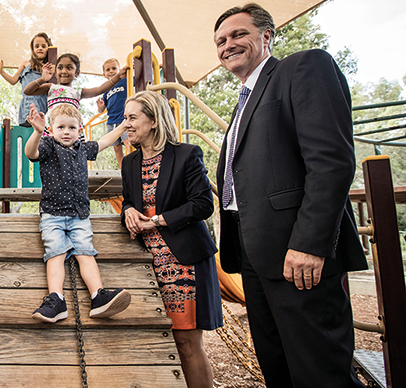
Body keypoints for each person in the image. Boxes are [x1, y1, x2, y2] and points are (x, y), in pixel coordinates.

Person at [214, 4, 367, 387]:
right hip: (254, 252)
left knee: (319, 370)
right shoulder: (245, 100)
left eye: (238, 34)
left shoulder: (302, 68)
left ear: (267, 36)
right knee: (277, 364)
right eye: (220, 41)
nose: (227, 44)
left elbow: (331, 161)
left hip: (296, 253)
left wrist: (309, 244)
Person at [120, 91, 222, 388]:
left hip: (182, 263)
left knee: (186, 344)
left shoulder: (186, 154)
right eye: (125, 118)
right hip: (147, 265)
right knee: (155, 343)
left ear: (152, 121)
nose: (126, 124)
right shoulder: (129, 163)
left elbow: (203, 204)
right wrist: (128, 211)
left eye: (132, 117)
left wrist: (156, 221)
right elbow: (129, 200)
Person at [24, 103, 131, 323]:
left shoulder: (83, 148)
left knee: (85, 251)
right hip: (52, 214)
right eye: (60, 127)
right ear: (51, 130)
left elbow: (103, 142)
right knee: (55, 253)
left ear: (79, 131)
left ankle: (98, 296)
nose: (66, 132)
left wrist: (121, 127)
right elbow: (30, 153)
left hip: (79, 215)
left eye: (71, 128)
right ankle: (56, 300)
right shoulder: (47, 145)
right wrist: (37, 131)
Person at [0, 32, 53, 126]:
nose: (40, 48)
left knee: (42, 128)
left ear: (48, 48)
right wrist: (1, 71)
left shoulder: (49, 66)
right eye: (37, 46)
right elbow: (13, 80)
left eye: (43, 46)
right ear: (33, 49)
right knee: (28, 129)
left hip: (42, 103)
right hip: (28, 103)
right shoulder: (26, 63)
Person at [96, 58, 130, 167]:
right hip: (111, 122)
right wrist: (100, 107)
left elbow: (138, 78)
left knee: (128, 142)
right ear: (104, 74)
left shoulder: (124, 81)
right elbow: (102, 109)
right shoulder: (106, 90)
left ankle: (131, 166)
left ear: (119, 70)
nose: (111, 71)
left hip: (123, 119)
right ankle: (122, 169)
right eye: (108, 70)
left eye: (114, 68)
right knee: (116, 147)